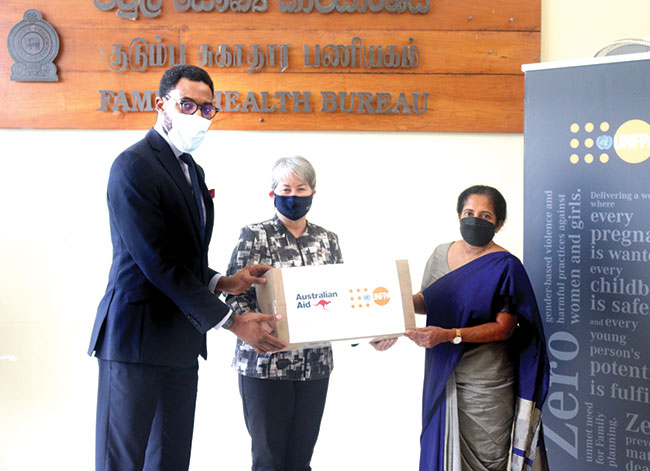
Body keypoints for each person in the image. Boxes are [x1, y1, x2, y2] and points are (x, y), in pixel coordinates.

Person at [88, 65, 285, 471]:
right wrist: (233, 322)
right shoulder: (133, 165)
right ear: (161, 104)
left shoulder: (192, 170)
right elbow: (155, 260)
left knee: (171, 461)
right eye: (187, 105)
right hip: (135, 341)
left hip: (180, 343)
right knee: (122, 462)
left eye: (207, 108)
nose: (198, 115)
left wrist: (224, 281)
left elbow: (182, 256)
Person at [225, 156, 395, 471]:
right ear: (272, 193)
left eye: (301, 188)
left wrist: (370, 333)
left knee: (300, 460)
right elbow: (233, 293)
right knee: (268, 461)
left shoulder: (327, 239)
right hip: (266, 364)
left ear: (313, 193)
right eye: (286, 188)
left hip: (315, 366)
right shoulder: (254, 234)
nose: (294, 195)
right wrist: (253, 328)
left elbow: (340, 298)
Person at [406, 185, 550, 471]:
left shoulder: (505, 265)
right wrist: (392, 302)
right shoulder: (440, 254)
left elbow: (504, 328)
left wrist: (450, 335)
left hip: (487, 379)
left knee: (488, 459)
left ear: (499, 223)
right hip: (443, 372)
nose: (475, 220)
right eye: (468, 213)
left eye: (485, 216)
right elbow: (427, 301)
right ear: (459, 215)